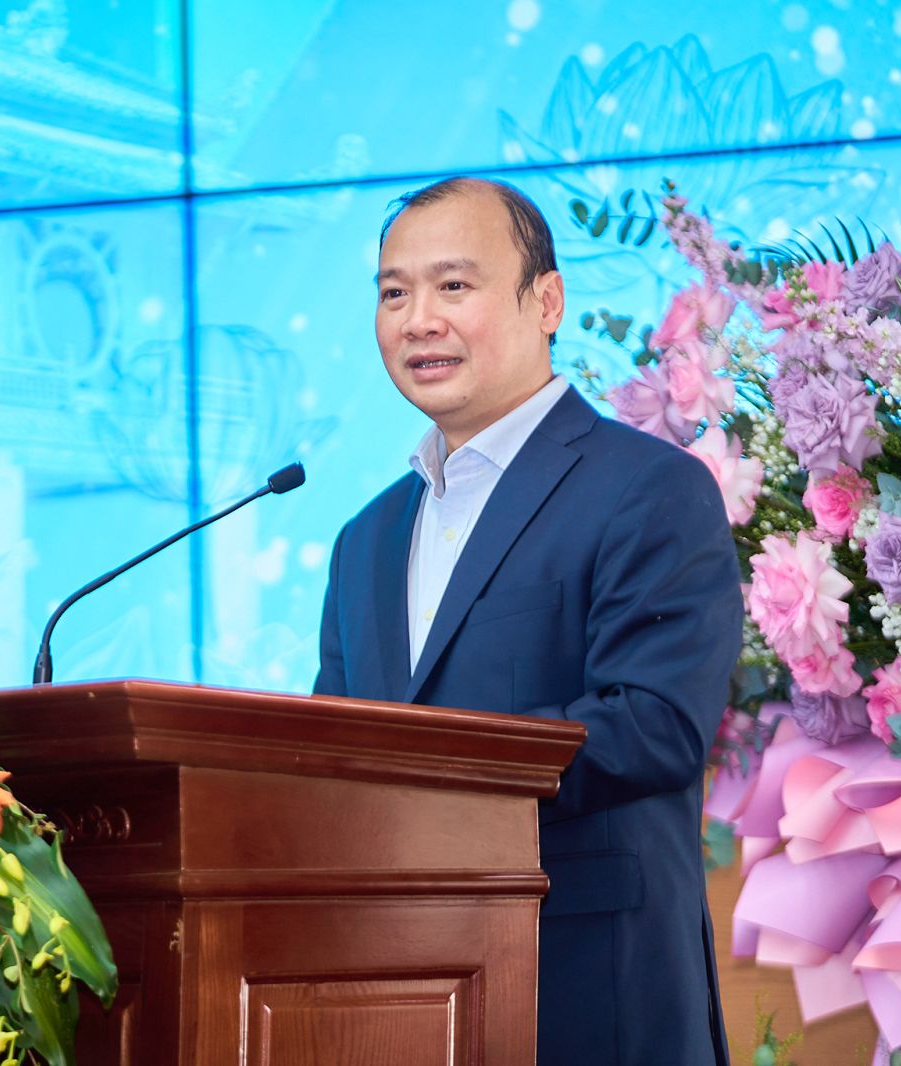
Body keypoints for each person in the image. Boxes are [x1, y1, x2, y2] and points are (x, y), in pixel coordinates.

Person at [313, 176, 743, 1065]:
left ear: (547, 301)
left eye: (453, 285)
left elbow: (654, 724)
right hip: (400, 1005)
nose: (419, 320)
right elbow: (332, 754)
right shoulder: (364, 540)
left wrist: (429, 774)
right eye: (394, 294)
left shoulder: (648, 488)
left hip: (590, 997)